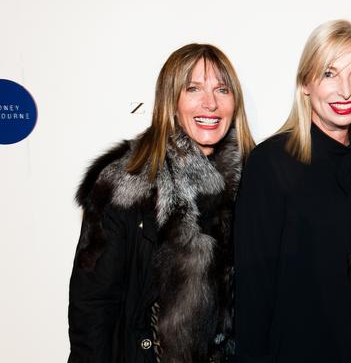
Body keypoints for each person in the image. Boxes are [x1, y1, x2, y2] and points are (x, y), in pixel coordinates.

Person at [68, 43, 255, 363]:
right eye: (193, 88)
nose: (210, 103)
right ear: (171, 100)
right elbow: (94, 306)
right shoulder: (126, 182)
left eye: (222, 90)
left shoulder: (255, 181)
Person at [234, 20, 351, 363]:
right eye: (329, 73)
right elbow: (253, 292)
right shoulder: (270, 162)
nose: (345, 90)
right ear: (306, 83)